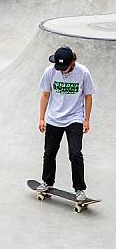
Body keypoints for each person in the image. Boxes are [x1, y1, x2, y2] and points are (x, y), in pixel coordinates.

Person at [36, 46, 96, 202]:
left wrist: (87, 119)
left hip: (74, 118)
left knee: (75, 153)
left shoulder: (83, 72)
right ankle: (47, 182)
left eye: (65, 67)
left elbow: (88, 96)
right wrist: (41, 118)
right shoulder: (50, 71)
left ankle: (80, 189)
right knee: (49, 152)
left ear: (73, 62)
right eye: (59, 67)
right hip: (54, 118)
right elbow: (45, 94)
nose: (61, 70)